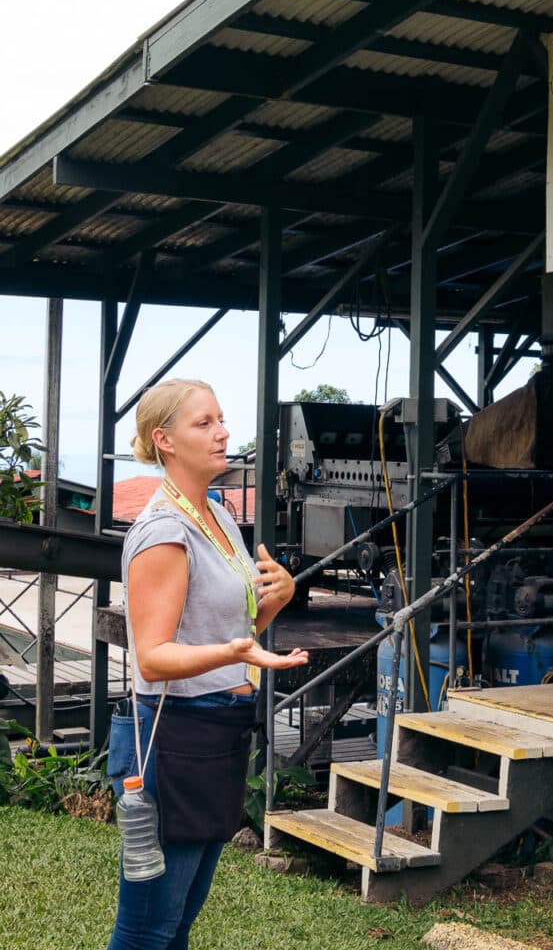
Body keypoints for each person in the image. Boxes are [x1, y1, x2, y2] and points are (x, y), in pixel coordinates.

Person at [106, 378, 308, 950]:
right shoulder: (165, 532)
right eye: (204, 424)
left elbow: (232, 631)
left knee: (179, 923)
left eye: (221, 419)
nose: (222, 433)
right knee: (148, 927)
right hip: (175, 737)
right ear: (164, 439)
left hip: (217, 728)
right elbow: (153, 655)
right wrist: (234, 653)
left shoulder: (215, 513)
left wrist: (277, 598)